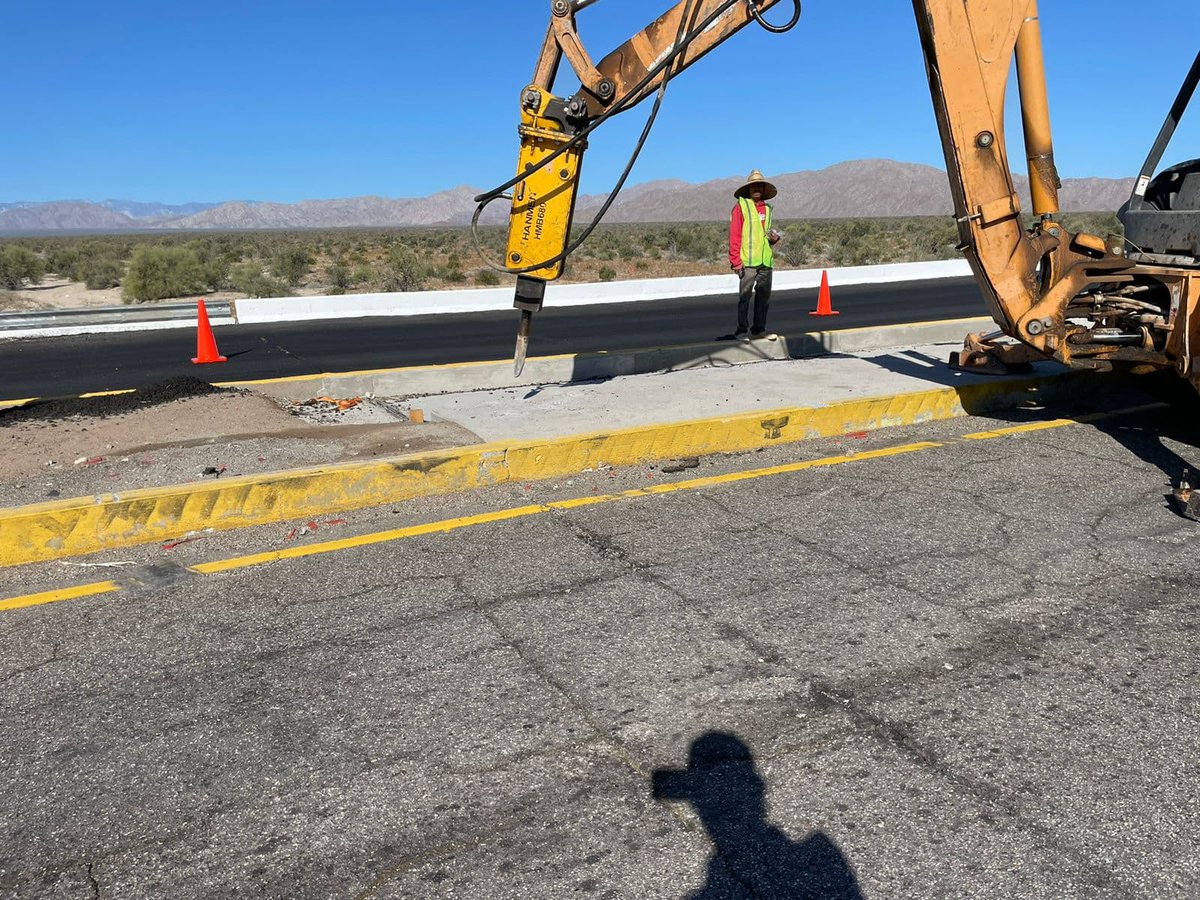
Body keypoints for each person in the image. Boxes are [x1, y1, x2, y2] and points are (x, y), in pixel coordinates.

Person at [726, 168, 781, 340]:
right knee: (745, 297)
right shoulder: (741, 207)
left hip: (765, 260)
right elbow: (735, 235)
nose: (756, 189)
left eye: (759, 186)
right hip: (748, 261)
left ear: (763, 189)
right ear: (748, 189)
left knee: (763, 297)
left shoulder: (767, 209)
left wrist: (774, 239)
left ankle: (759, 330)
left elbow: (763, 234)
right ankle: (742, 330)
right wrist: (735, 260)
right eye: (753, 186)